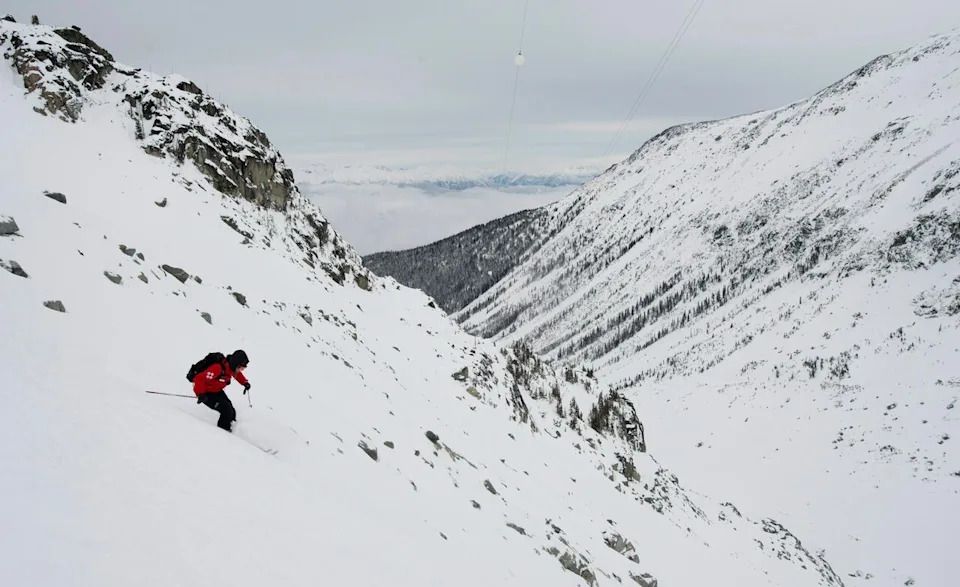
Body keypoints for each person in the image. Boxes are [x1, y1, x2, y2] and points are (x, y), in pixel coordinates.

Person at [193, 350, 251, 431]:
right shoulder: (217, 368)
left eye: (243, 368)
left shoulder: (231, 368)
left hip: (217, 391)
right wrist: (200, 394)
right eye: (240, 368)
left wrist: (244, 382)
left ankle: (235, 428)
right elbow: (199, 378)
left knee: (231, 410)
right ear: (235, 364)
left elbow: (237, 374)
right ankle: (223, 433)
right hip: (206, 394)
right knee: (226, 410)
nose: (241, 370)